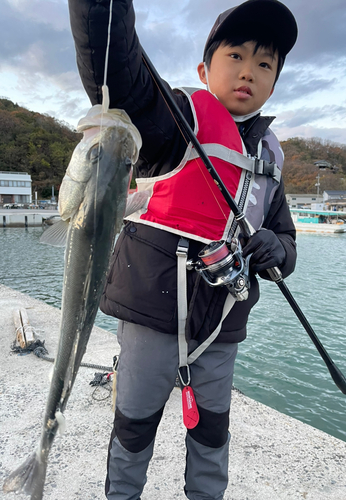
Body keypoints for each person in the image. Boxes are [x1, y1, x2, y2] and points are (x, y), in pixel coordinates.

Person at [68, 0, 298, 498]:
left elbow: (287, 238)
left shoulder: (272, 157)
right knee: (132, 431)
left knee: (212, 435)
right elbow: (118, 74)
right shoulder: (174, 120)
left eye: (264, 65)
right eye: (235, 56)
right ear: (204, 68)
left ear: (275, 82)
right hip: (150, 318)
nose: (247, 73)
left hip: (222, 328)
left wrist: (275, 249)